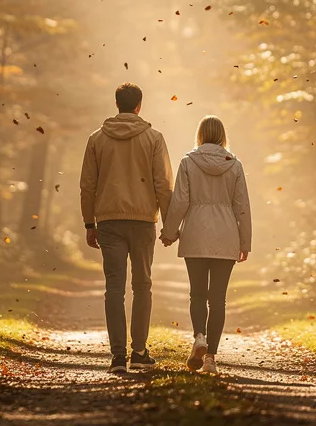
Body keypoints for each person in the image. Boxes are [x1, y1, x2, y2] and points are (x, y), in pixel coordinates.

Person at [79, 82, 173, 374]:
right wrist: (169, 223)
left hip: (108, 221)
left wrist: (89, 223)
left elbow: (87, 186)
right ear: (139, 106)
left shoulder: (96, 139)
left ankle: (118, 356)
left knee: (114, 288)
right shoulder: (154, 138)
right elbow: (163, 185)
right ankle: (139, 351)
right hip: (144, 221)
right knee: (142, 285)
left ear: (116, 103)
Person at [160, 115, 252, 375]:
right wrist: (245, 241)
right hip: (226, 237)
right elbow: (242, 207)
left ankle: (199, 336)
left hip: (196, 234)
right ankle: (210, 357)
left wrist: (169, 232)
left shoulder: (189, 162)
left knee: (197, 294)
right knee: (218, 299)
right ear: (223, 135)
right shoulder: (234, 164)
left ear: (200, 135)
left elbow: (179, 201)